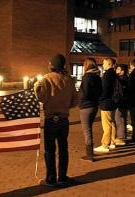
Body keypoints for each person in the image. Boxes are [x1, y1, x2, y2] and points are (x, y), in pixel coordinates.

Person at [34, 54, 78, 186]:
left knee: (50, 150)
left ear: (52, 65)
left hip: (50, 118)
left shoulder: (47, 79)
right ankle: (62, 176)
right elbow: (75, 100)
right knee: (63, 148)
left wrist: (36, 87)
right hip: (64, 118)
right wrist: (65, 106)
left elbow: (42, 98)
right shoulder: (69, 80)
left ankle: (51, 178)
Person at [79, 57, 102, 161]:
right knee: (89, 129)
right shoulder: (97, 76)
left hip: (86, 106)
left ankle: (89, 154)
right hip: (94, 105)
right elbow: (100, 91)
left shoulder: (87, 77)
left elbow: (85, 92)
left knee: (86, 130)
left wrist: (80, 100)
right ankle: (90, 152)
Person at [94, 58, 117, 153]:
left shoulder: (107, 75)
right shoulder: (114, 74)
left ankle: (105, 144)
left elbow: (105, 90)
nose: (103, 65)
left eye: (104, 63)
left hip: (106, 103)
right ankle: (112, 142)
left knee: (106, 125)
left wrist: (100, 99)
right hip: (112, 102)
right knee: (112, 122)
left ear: (108, 64)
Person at [114, 64, 129, 145]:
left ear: (122, 71)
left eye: (118, 69)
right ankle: (123, 136)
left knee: (119, 119)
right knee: (121, 119)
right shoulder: (126, 78)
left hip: (121, 102)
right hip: (125, 102)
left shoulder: (121, 79)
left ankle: (121, 137)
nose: (116, 70)